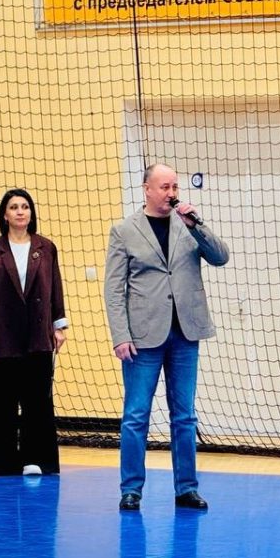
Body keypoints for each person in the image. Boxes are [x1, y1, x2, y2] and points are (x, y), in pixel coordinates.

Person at [104, 164, 230, 511]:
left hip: (185, 334)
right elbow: (113, 290)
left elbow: (221, 257)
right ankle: (131, 489)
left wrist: (197, 226)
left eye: (174, 186)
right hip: (143, 337)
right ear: (147, 189)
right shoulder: (124, 231)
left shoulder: (187, 225)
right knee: (136, 415)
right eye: (164, 187)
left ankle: (186, 488)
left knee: (185, 416)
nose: (171, 193)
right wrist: (120, 335)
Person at [0, 189, 68, 476]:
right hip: (3, 334)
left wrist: (58, 326)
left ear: (31, 213)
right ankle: (0, 461)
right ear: (5, 214)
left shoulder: (46, 248)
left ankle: (36, 459)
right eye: (14, 207)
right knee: (0, 399)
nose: (20, 211)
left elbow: (55, 289)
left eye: (25, 206)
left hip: (38, 334)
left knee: (37, 400)